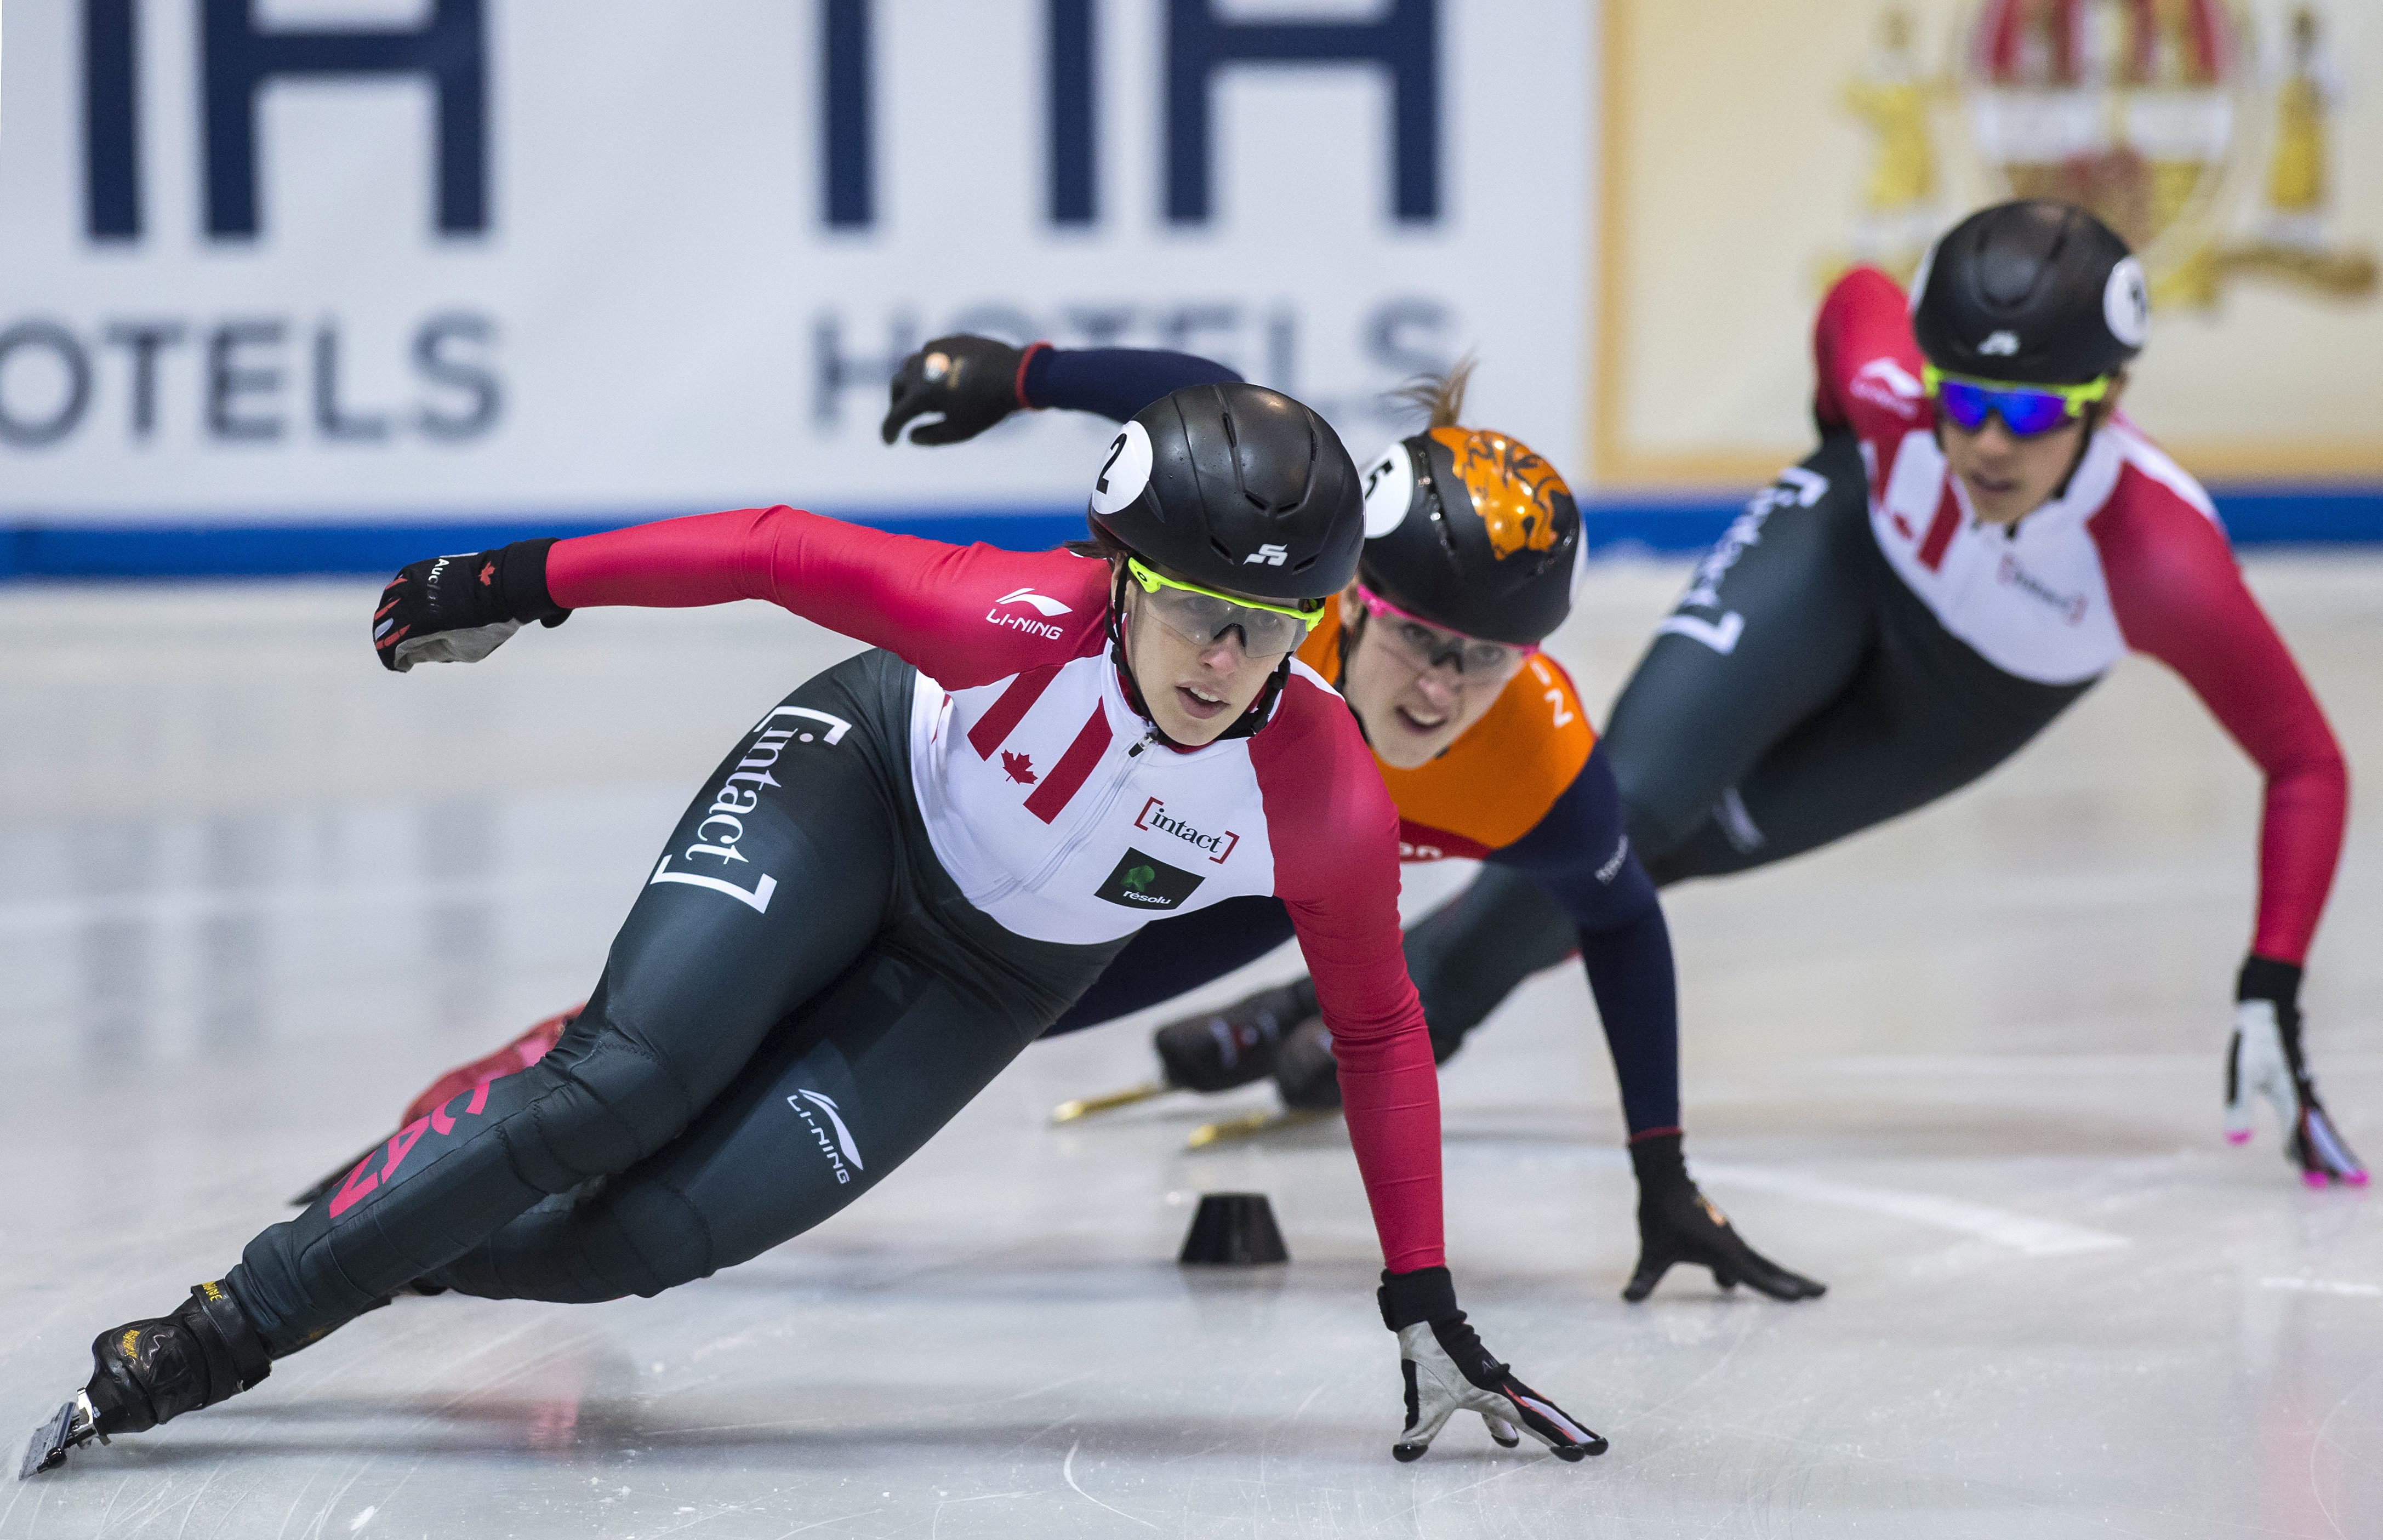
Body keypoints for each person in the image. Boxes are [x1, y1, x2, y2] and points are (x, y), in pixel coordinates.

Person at [21, 384, 1604, 1480]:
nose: (1220, 657)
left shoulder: (1316, 790)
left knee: (639, 1246)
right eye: (1192, 608)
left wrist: (1422, 1296)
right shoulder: (1003, 618)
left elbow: (1383, 1030)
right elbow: (774, 549)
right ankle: (220, 1330)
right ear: (1122, 576)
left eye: (1261, 630)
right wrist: (513, 583)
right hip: (858, 793)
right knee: (609, 1092)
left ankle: (408, 1231)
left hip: (989, 974)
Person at [374, 338, 1827, 1307]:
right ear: (1345, 603)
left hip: (1239, 887)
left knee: (927, 1019)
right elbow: (1196, 398)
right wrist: (1020, 375)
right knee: (720, 1005)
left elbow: (1620, 921)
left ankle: (571, 1187)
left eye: (1484, 660)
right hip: (1082, 799)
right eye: (1411, 638)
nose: (1440, 687)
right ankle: (510, 1109)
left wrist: (1662, 1176)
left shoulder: (1537, 770)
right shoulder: (1250, 614)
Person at [1250, 198, 2364, 1189]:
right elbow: (1853, 305)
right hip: (1841, 554)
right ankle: (1375, 1013)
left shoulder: (2159, 561)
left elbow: (2305, 761)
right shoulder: (1894, 403)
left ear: (2106, 399)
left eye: (2030, 416)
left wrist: (2268, 979)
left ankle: (1351, 1008)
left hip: (1962, 697)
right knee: (1623, 802)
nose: (1982, 442)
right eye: (1961, 399)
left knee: (1661, 853)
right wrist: (1843, 432)